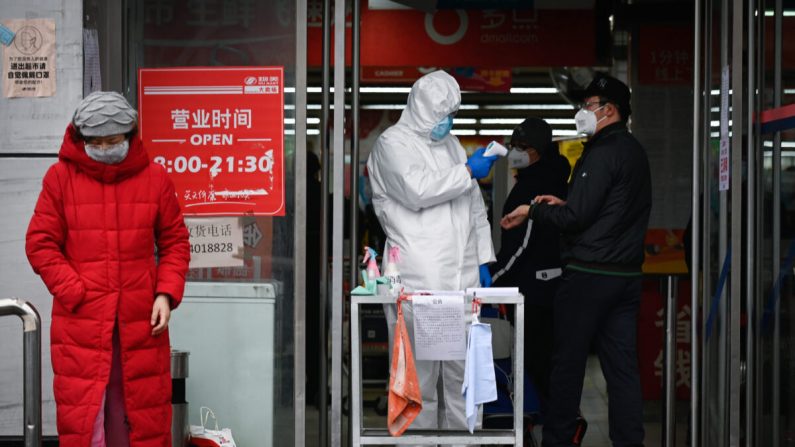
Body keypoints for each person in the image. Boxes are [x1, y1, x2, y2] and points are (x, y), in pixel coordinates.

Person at [25, 91, 191, 447]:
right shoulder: (60, 178)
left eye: (113, 141)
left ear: (129, 136)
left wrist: (165, 294)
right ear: (80, 138)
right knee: (87, 416)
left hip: (140, 321)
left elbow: (175, 242)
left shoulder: (155, 178)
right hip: (81, 324)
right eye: (95, 142)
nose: (104, 148)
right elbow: (40, 243)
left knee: (137, 416)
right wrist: (75, 291)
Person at [501, 73, 651, 447]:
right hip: (626, 276)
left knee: (566, 368)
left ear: (609, 110)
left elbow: (575, 220)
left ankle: (558, 440)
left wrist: (531, 211)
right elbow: (603, 211)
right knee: (622, 371)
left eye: (588, 106)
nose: (582, 112)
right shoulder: (633, 151)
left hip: (588, 277)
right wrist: (564, 204)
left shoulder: (600, 153)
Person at [367, 70, 498, 436]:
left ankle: (465, 444)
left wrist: (483, 257)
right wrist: (468, 170)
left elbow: (474, 206)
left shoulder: (452, 145)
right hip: (418, 281)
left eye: (451, 114)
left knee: (463, 383)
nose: (447, 121)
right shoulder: (392, 145)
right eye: (441, 114)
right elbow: (417, 190)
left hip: (462, 281)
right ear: (420, 109)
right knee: (419, 386)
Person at [490, 118, 570, 424]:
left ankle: (557, 428)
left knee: (536, 365)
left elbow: (522, 244)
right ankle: (555, 426)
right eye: (513, 146)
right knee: (544, 364)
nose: (515, 153)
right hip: (544, 288)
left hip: (535, 293)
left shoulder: (537, 184)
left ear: (538, 150)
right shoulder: (545, 176)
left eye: (522, 148)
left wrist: (494, 280)